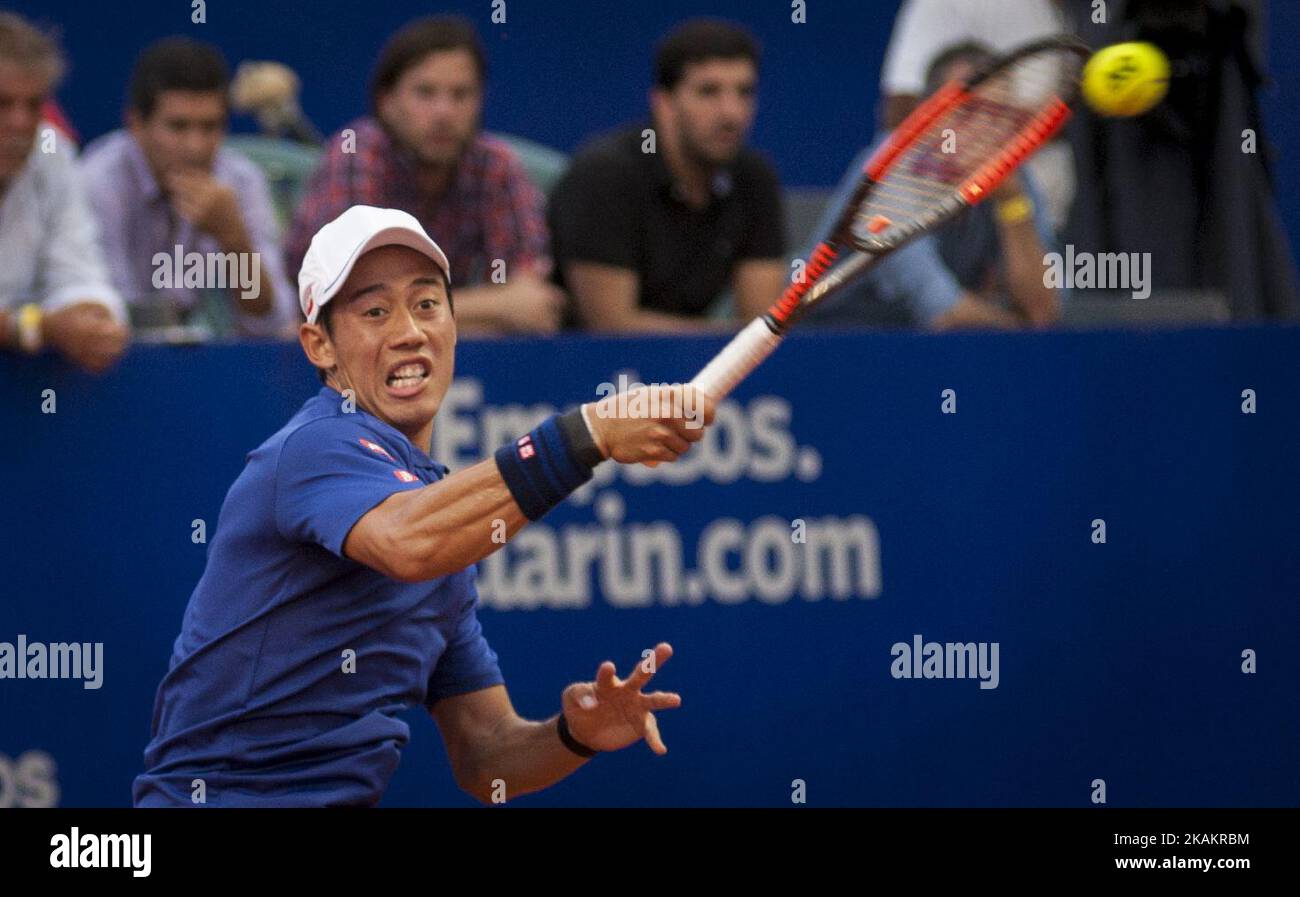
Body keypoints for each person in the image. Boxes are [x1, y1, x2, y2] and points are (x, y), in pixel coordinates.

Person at [133, 205, 713, 807]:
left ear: (454, 327)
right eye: (375, 311)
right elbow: (409, 543)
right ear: (319, 346)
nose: (409, 330)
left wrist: (574, 735)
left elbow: (484, 754)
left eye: (427, 304)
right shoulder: (315, 446)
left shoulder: (441, 526)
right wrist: (585, 434)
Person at [285, 16, 562, 335]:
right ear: (387, 102)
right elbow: (354, 304)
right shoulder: (356, 154)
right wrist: (496, 307)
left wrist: (416, 315)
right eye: (425, 93)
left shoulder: (495, 165)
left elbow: (534, 305)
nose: (444, 113)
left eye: (460, 95)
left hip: (451, 353)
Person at [547, 18, 787, 332]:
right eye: (709, 92)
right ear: (664, 104)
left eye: (744, 92)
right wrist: (727, 342)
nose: (732, 113)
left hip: (700, 371)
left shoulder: (755, 178)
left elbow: (761, 327)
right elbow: (611, 327)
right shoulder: (605, 174)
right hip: (585, 374)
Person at [803, 42, 1061, 329]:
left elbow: (1042, 311)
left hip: (922, 351)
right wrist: (1017, 325)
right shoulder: (887, 170)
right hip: (826, 346)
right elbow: (945, 313)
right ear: (929, 117)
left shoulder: (1013, 180)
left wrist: (1011, 202)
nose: (987, 132)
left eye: (999, 116)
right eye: (970, 112)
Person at [80, 38, 296, 338]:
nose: (196, 146)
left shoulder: (241, 180)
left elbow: (270, 323)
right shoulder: (98, 181)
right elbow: (107, 314)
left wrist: (234, 239)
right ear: (136, 124)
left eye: (209, 127)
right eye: (178, 127)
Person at [0, 13, 128, 372]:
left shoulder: (52, 153)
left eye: (33, 105)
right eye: (3, 103)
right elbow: (41, 325)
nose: (21, 122)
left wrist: (93, 320)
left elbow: (79, 274)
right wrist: (37, 327)